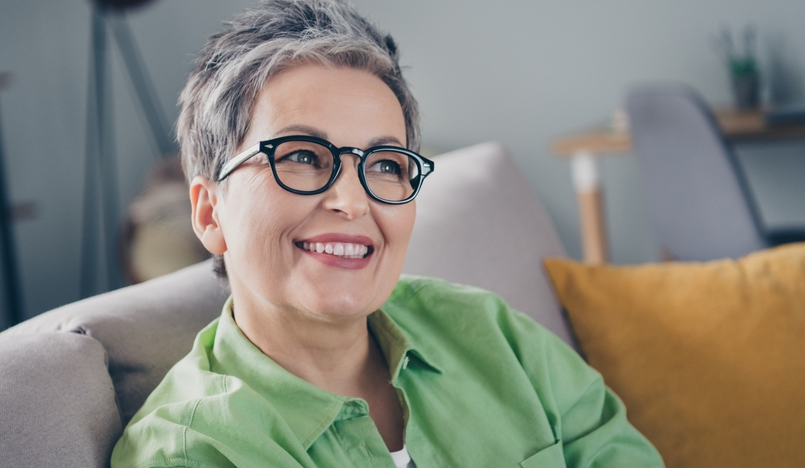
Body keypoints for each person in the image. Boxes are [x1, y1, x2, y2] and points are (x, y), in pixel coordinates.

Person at [112, 1, 665, 466]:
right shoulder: (194, 452)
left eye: (384, 164)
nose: (353, 201)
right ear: (210, 213)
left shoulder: (494, 336)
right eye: (302, 156)